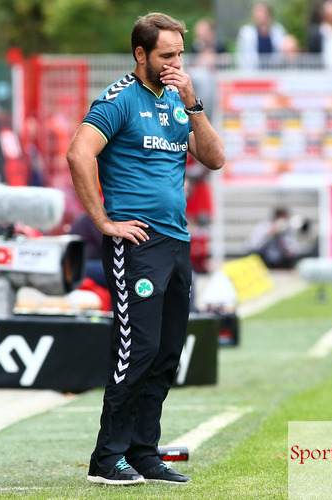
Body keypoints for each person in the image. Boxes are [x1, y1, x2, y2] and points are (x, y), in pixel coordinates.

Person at [66, 13, 225, 485]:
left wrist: (194, 103)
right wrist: (103, 222)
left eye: (180, 54)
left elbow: (214, 158)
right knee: (139, 349)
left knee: (167, 354)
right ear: (141, 55)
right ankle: (106, 458)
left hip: (176, 242)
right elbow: (79, 153)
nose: (176, 63)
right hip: (137, 243)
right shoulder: (118, 99)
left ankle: (143, 451)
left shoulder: (179, 102)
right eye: (167, 55)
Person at [236, 2, 287, 69]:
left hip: (274, 70)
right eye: (258, 12)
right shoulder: (246, 32)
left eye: (264, 12)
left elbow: (283, 51)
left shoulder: (278, 30)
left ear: (269, 15)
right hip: (253, 72)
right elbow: (240, 54)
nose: (261, 15)